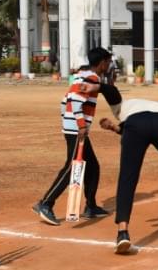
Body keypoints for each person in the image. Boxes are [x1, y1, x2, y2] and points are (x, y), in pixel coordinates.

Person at [33, 47, 121, 225]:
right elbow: (73, 100)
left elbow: (66, 100)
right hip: (75, 129)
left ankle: (91, 206)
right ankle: (46, 203)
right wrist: (80, 125)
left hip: (73, 127)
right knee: (72, 168)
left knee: (93, 167)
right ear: (102, 62)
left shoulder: (85, 75)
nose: (109, 65)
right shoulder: (90, 77)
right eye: (108, 62)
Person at [98, 97, 158, 255]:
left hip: (136, 125)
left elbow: (135, 130)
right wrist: (114, 128)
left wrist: (115, 127)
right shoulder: (155, 105)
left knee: (127, 176)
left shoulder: (124, 110)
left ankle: (122, 232)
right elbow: (146, 125)